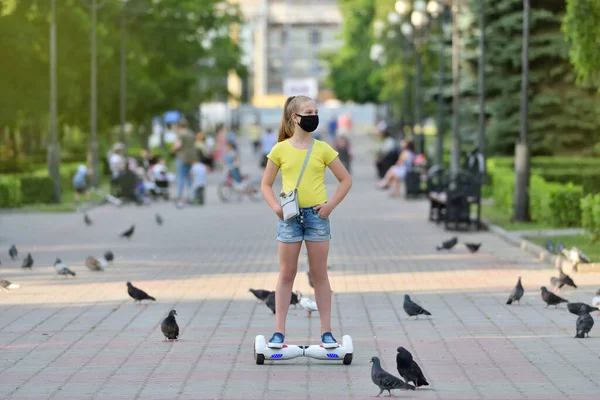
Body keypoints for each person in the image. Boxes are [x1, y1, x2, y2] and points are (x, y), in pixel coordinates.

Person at [261, 95, 352, 350]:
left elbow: (346, 180)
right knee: (286, 274)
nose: (313, 115)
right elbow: (266, 184)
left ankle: (326, 332)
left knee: (319, 274)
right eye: (308, 111)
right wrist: (276, 208)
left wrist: (330, 206)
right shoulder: (280, 149)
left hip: (317, 217)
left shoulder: (323, 149)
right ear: (294, 117)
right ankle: (279, 332)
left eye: (316, 110)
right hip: (289, 218)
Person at [170, 120, 197, 206]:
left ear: (179, 126)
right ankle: (192, 196)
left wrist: (172, 151)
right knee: (189, 178)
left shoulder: (181, 134)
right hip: (191, 158)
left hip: (182, 158)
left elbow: (178, 145)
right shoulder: (191, 133)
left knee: (181, 177)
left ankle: (180, 196)